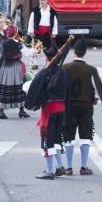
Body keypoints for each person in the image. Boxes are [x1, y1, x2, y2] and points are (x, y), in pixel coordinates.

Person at [26, 44, 71, 179]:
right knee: (56, 139)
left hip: (49, 110)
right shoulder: (63, 72)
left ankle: (49, 170)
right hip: (61, 109)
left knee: (47, 141)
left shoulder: (45, 73)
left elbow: (34, 90)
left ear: (47, 58)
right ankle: (59, 166)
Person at [62, 39, 102, 175]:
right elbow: (98, 90)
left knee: (68, 136)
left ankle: (68, 167)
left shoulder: (65, 68)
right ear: (85, 53)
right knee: (85, 135)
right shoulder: (91, 70)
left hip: (68, 106)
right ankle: (84, 167)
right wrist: (96, 101)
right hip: (86, 106)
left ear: (74, 52)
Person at [0, 34, 27, 120]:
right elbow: (27, 53)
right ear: (15, 34)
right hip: (16, 67)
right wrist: (36, 50)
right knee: (19, 88)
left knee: (3, 88)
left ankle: (1, 111)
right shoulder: (18, 43)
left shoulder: (0, 44)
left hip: (5, 67)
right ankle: (21, 110)